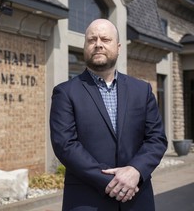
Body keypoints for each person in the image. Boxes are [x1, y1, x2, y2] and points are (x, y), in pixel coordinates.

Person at [49, 19, 168, 211]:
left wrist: (135, 171)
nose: (98, 44)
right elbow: (65, 145)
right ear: (85, 46)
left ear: (118, 47)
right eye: (91, 40)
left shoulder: (142, 90)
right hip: (86, 200)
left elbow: (156, 139)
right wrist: (112, 182)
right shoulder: (65, 93)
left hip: (137, 199)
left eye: (105, 39)